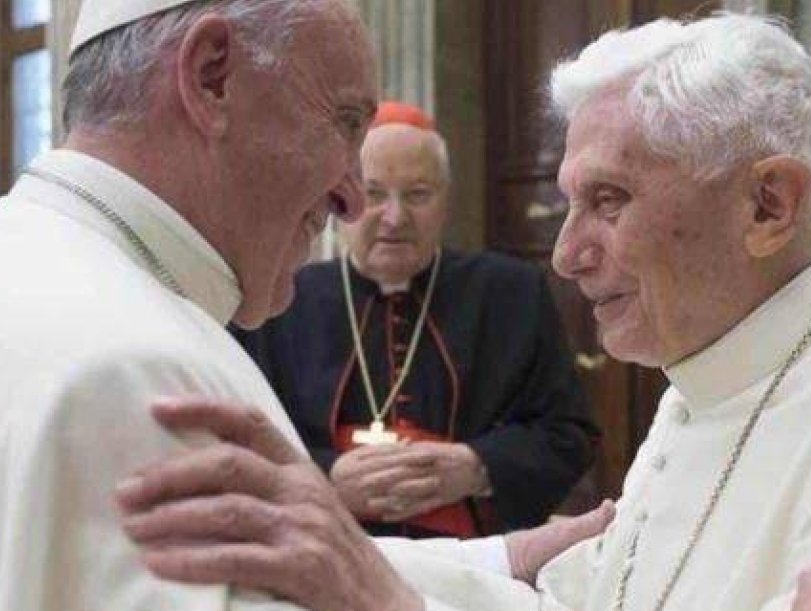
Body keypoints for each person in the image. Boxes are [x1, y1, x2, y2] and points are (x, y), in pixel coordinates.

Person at [114, 13, 811, 610]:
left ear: (768, 205)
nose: (566, 253)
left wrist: (376, 597)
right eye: (569, 203)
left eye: (609, 202)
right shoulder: (702, 380)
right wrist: (339, 558)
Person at [0, 0, 414, 610]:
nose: (353, 196)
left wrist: (511, 559)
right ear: (212, 77)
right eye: (344, 122)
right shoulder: (141, 373)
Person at [235, 101, 597, 538]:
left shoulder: (510, 293)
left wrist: (477, 467)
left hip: (477, 558)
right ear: (339, 199)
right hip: (323, 544)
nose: (394, 217)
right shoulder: (279, 300)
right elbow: (239, 436)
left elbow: (569, 435)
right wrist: (325, 479)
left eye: (417, 194)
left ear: (445, 200)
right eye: (373, 194)